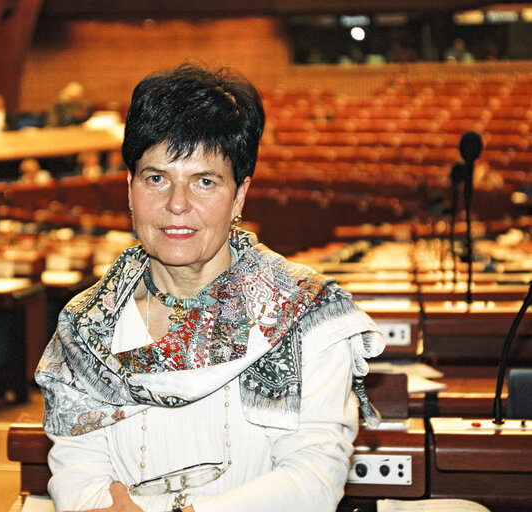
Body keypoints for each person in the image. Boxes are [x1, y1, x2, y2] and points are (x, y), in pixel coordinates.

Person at [35, 64, 384, 512]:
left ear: (239, 195)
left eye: (204, 182)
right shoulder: (86, 325)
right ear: (129, 188)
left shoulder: (303, 313)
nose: (176, 205)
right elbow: (78, 467)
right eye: (156, 178)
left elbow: (312, 478)